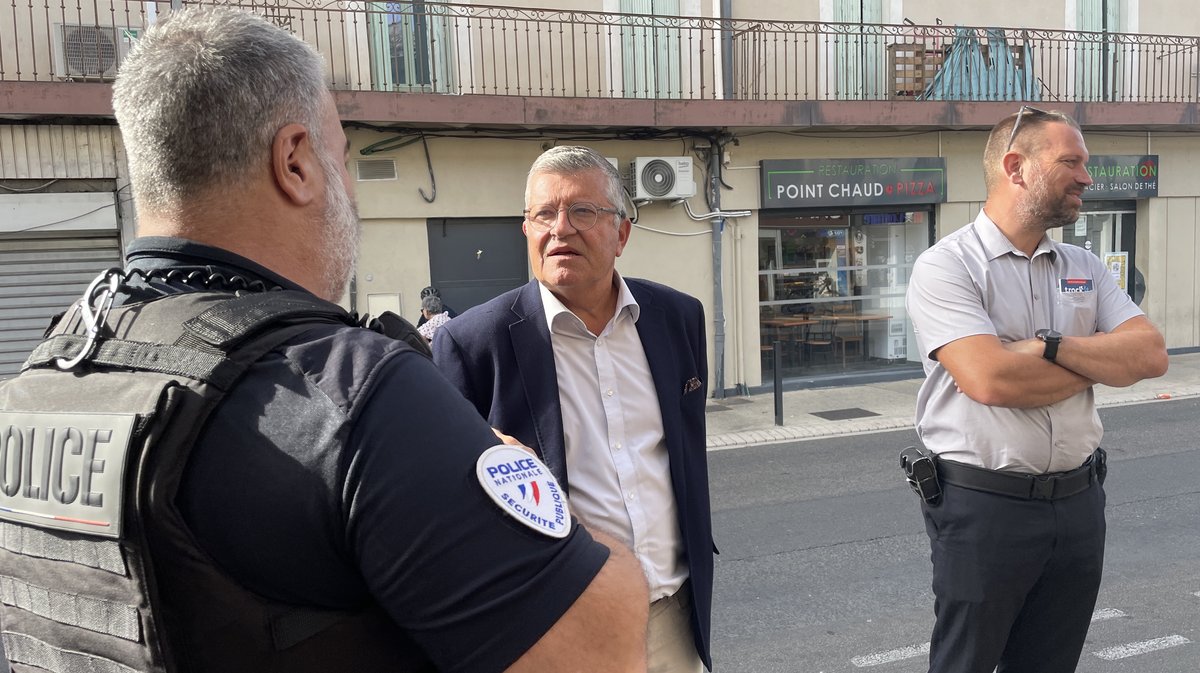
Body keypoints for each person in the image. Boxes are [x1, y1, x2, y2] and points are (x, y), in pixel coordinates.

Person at [0, 8, 650, 673]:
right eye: (342, 157)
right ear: (296, 162)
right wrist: (534, 482)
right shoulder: (352, 394)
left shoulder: (47, 374)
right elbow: (605, 643)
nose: (351, 189)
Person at [904, 107, 1168, 673]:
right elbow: (991, 379)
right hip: (984, 506)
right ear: (1015, 167)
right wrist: (1099, 358)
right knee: (966, 663)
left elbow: (1149, 354)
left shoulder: (1084, 265)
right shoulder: (947, 266)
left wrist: (1046, 346)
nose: (1087, 178)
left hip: (1079, 504)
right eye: (1071, 161)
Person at [432, 145, 715, 673]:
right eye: (543, 213)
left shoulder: (677, 318)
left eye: (582, 211)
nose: (560, 229)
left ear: (622, 234)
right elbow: (446, 509)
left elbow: (684, 455)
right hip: (556, 630)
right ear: (526, 231)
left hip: (676, 619)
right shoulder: (471, 345)